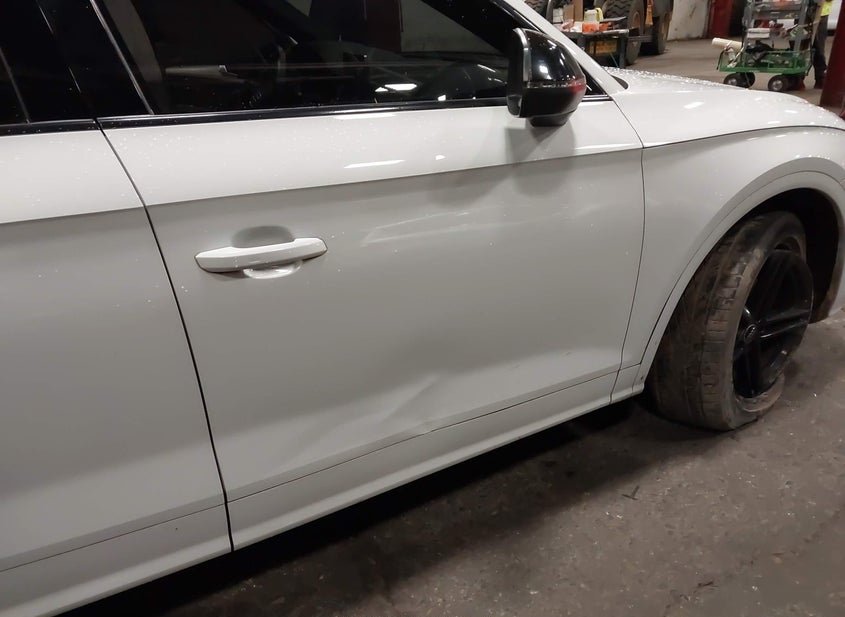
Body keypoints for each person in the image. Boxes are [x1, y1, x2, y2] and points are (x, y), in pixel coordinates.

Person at [813, 0, 835, 89]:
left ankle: (820, 78)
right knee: (800, 46)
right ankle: (797, 79)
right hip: (801, 11)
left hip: (820, 13)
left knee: (818, 48)